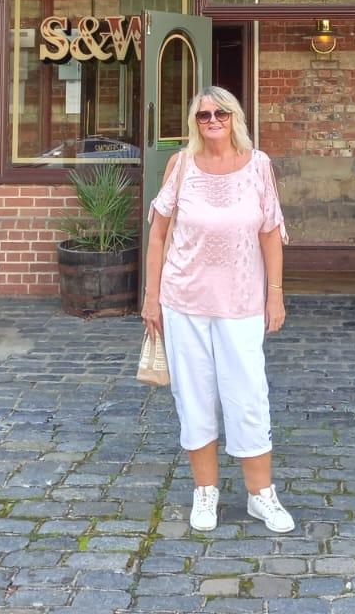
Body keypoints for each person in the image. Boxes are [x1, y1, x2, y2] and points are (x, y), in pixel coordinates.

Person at [142, 85, 293, 534]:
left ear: (235, 119)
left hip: (242, 302)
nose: (212, 122)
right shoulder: (181, 165)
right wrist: (152, 297)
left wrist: (276, 294)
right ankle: (204, 493)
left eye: (220, 114)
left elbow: (270, 233)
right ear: (194, 122)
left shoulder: (259, 166)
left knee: (248, 397)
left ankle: (260, 495)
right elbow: (157, 235)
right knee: (194, 397)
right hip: (184, 301)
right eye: (203, 115)